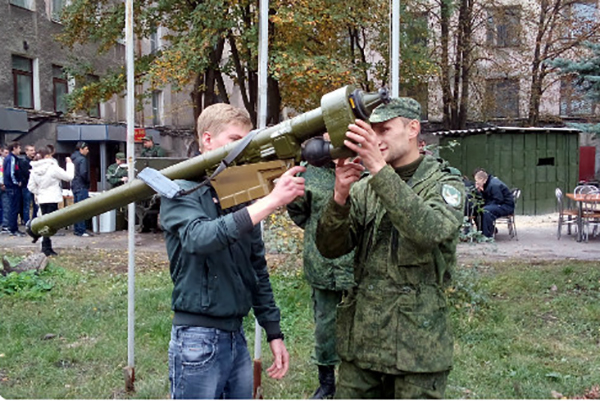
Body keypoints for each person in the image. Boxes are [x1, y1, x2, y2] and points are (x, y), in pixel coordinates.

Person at [315, 97, 465, 399]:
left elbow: (429, 231)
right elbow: (330, 248)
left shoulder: (444, 183)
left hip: (417, 349)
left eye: (384, 130)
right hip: (363, 344)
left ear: (412, 129)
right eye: (372, 132)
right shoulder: (365, 186)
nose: (376, 139)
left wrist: (378, 169)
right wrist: (340, 197)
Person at [160, 103, 304, 399]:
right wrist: (271, 201)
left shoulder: (236, 194)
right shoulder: (178, 190)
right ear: (208, 140)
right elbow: (200, 238)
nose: (243, 151)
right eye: (235, 141)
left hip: (236, 337)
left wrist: (273, 331)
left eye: (246, 142)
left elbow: (256, 269)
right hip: (197, 340)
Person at [286, 134, 355, 399]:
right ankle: (326, 384)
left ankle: (357, 379)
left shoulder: (364, 170)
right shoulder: (310, 173)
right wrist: (319, 230)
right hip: (322, 264)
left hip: (357, 265)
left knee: (360, 326)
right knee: (325, 328)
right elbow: (298, 212)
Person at [28, 146, 74, 256]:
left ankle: (45, 246)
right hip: (53, 197)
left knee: (43, 222)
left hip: (42, 198)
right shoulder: (52, 167)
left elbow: (31, 186)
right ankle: (46, 247)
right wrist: (70, 164)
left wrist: (39, 192)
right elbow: (68, 177)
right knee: (50, 224)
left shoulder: (34, 170)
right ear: (48, 156)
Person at [473, 169, 514, 238]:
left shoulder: (494, 185)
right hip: (500, 204)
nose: (476, 183)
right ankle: (483, 230)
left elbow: (498, 199)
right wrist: (480, 191)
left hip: (506, 206)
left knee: (486, 210)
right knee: (478, 209)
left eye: (477, 181)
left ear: (482, 179)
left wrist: (485, 204)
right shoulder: (488, 183)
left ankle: (487, 235)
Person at [3, 141, 26, 237]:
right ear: (14, 148)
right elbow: (11, 173)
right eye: (19, 148)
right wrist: (17, 182)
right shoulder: (11, 159)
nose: (20, 150)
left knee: (13, 208)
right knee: (14, 208)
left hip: (11, 186)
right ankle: (13, 229)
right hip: (13, 187)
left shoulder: (11, 158)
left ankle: (13, 227)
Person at [71, 141, 93, 237]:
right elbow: (84, 173)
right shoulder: (82, 160)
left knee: (76, 209)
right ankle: (82, 230)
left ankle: (77, 229)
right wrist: (88, 182)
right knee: (82, 209)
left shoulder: (73, 159)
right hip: (81, 185)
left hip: (75, 185)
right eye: (86, 149)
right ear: (81, 149)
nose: (88, 151)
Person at [19, 144, 37, 225]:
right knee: (26, 205)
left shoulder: (34, 161)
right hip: (26, 185)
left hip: (34, 186)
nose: (33, 152)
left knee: (35, 204)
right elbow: (26, 174)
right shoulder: (24, 161)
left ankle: (34, 221)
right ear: (26, 152)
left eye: (33, 150)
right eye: (31, 150)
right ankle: (26, 222)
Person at [0, 145, 10, 233]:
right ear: (1, 152)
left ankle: (5, 225)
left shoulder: (8, 161)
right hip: (1, 184)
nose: (7, 155)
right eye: (5, 152)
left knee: (6, 205)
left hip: (5, 185)